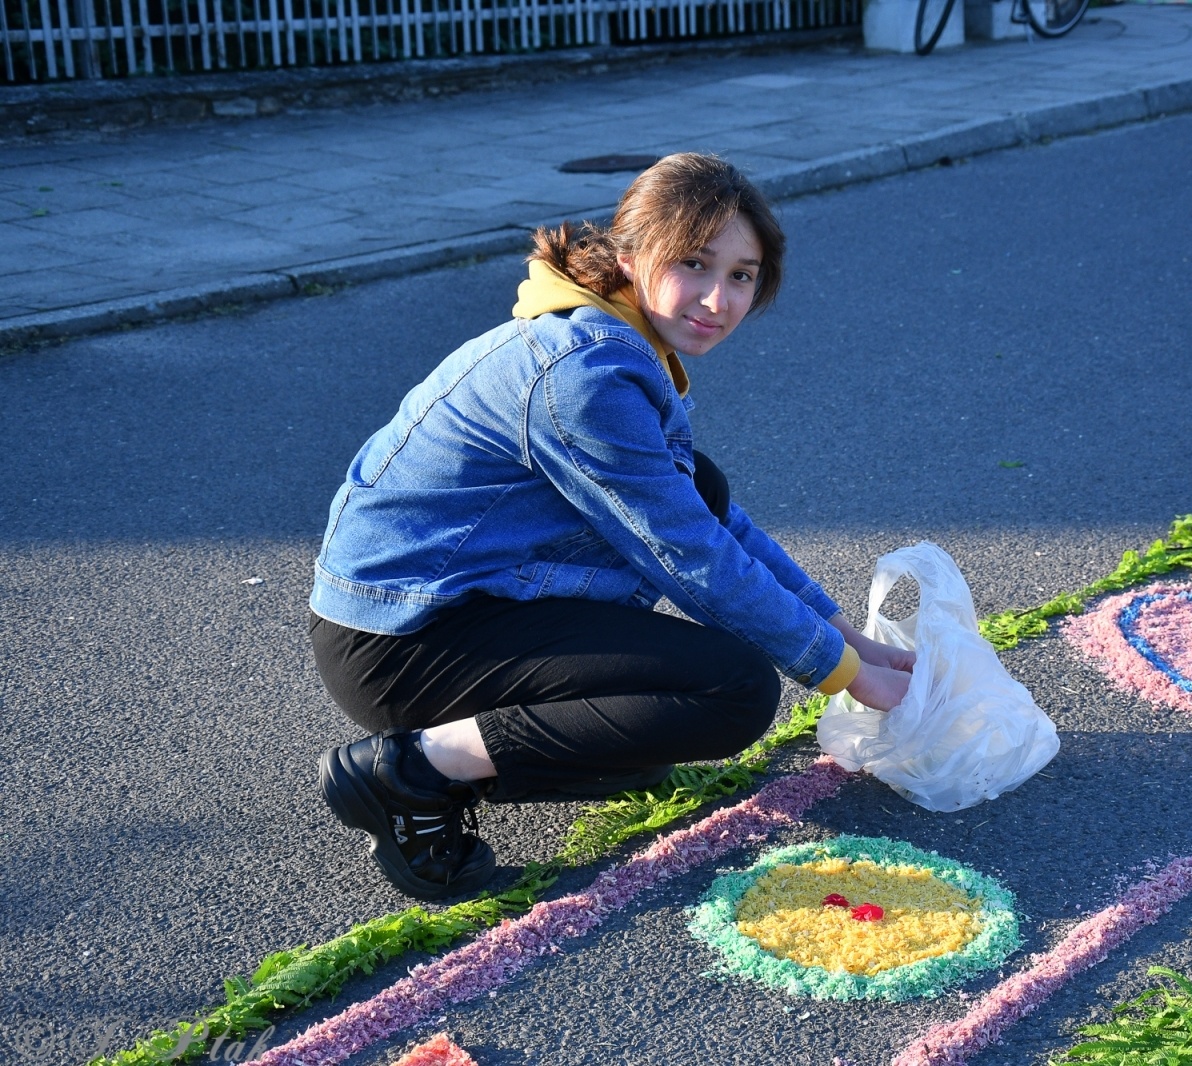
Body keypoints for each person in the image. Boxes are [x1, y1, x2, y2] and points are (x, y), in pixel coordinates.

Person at [308, 153, 915, 901]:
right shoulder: (585, 374)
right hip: (404, 647)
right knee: (733, 691)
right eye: (693, 263)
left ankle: (520, 747)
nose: (717, 299)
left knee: (700, 492)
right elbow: (688, 555)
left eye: (741, 275)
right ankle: (412, 771)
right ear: (630, 255)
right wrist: (844, 676)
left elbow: (709, 520)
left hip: (443, 615)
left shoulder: (612, 338)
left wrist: (848, 637)